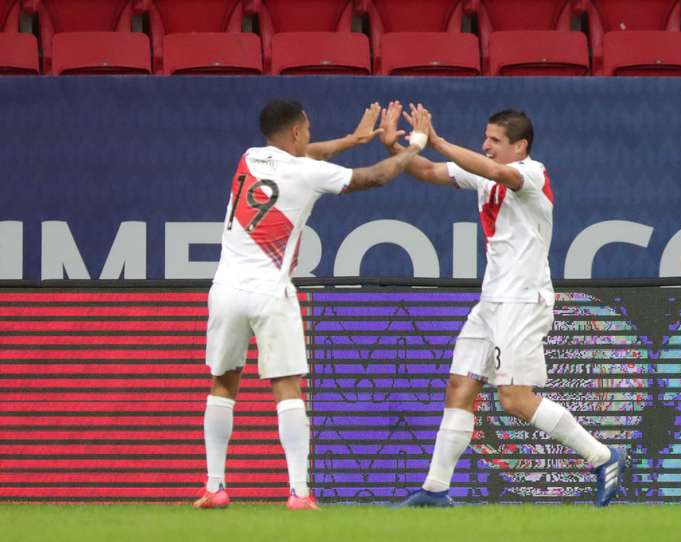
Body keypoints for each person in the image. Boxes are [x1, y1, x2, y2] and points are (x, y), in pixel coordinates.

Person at [378, 101, 627, 507]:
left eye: (494, 140)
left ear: (520, 146)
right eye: (485, 139)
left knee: (515, 399)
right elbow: (425, 171)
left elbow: (495, 171)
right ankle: (436, 490)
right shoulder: (481, 173)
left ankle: (603, 456)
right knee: (460, 386)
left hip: (523, 300)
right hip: (491, 300)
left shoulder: (532, 173)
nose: (486, 146)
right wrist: (398, 148)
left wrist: (436, 140)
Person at [194, 100, 431, 510]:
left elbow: (305, 154)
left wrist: (352, 140)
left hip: (226, 290)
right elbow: (374, 177)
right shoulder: (306, 172)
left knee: (223, 384)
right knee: (287, 388)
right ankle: (299, 493)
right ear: (298, 132)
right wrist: (415, 146)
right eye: (308, 129)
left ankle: (215, 487)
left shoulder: (249, 157)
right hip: (270, 292)